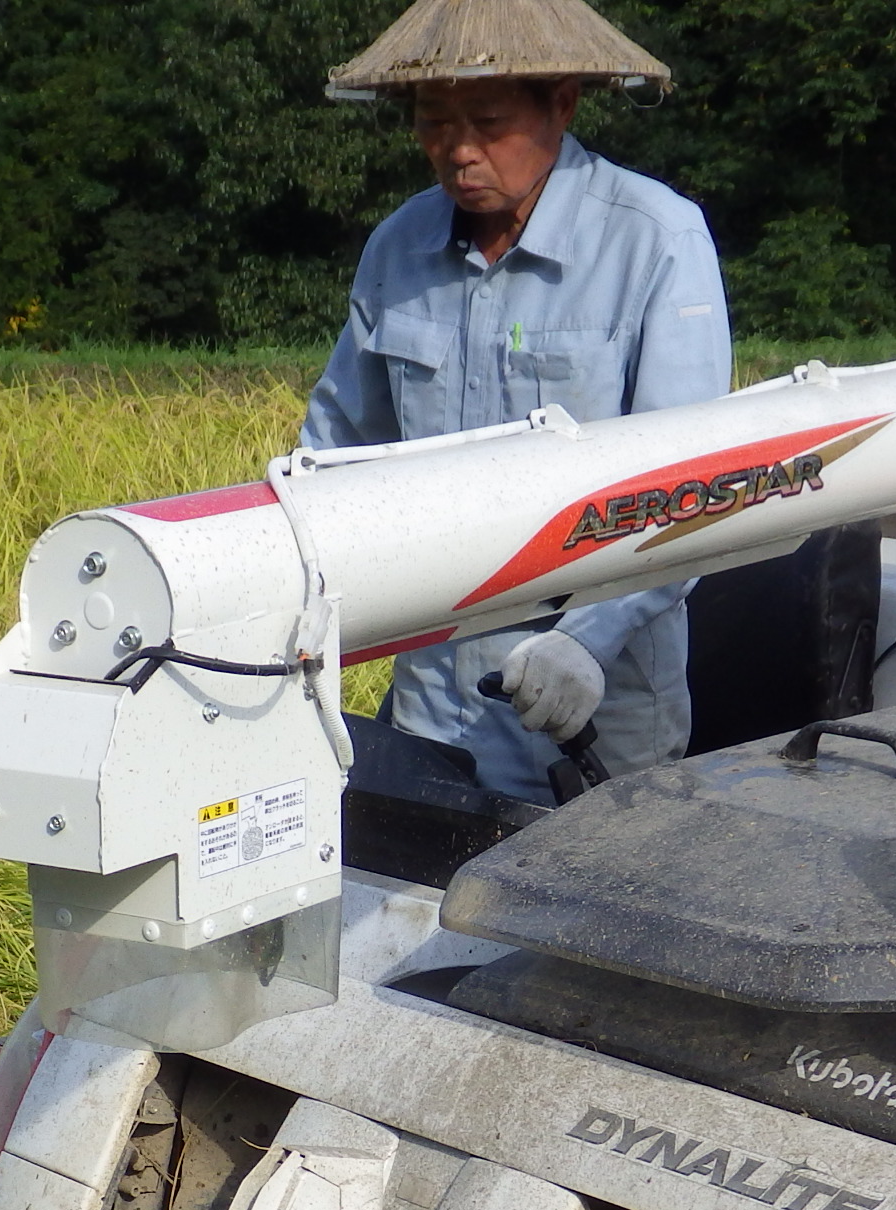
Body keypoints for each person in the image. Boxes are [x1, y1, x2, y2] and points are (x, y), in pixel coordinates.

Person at [308, 0, 731, 801]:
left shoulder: (655, 239)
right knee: (423, 911)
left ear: (562, 104)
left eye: (489, 122)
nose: (459, 151)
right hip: (432, 699)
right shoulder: (399, 247)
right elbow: (335, 451)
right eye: (434, 123)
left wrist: (583, 642)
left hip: (589, 705)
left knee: (583, 918)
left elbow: (691, 490)